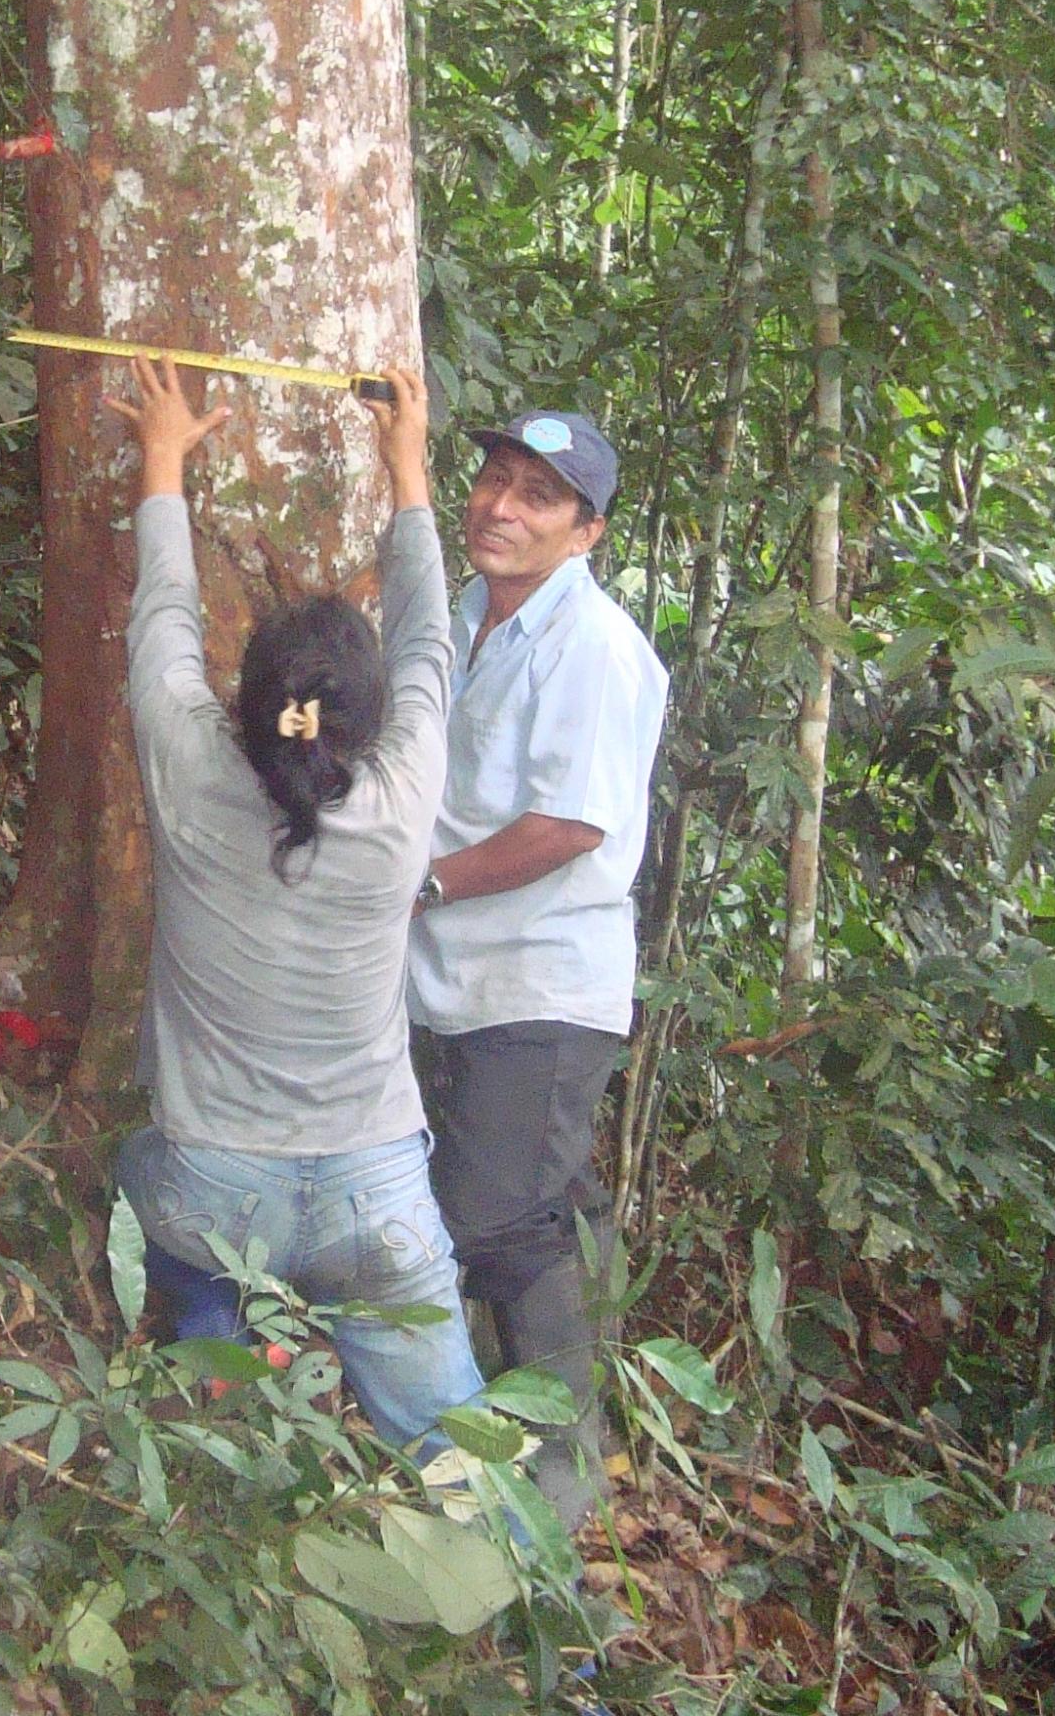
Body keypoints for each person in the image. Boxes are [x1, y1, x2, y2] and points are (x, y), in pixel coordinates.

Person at [104, 352, 484, 1456]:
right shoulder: (407, 793)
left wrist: (163, 459)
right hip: (378, 1191)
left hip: (215, 1190)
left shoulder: (187, 766)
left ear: (250, 696)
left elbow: (162, 619)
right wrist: (408, 471)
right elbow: (427, 641)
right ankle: (560, 1620)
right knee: (465, 1458)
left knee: (139, 1168)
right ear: (365, 720)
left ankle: (216, 1351)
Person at [405, 408, 670, 1531]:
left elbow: (572, 824)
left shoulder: (596, 647)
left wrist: (425, 882)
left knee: (491, 1226)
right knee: (498, 1204)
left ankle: (558, 1492)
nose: (500, 509)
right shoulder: (457, 616)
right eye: (494, 481)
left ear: (586, 533)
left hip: (540, 990)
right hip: (443, 981)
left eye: (537, 498)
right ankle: (482, 1475)